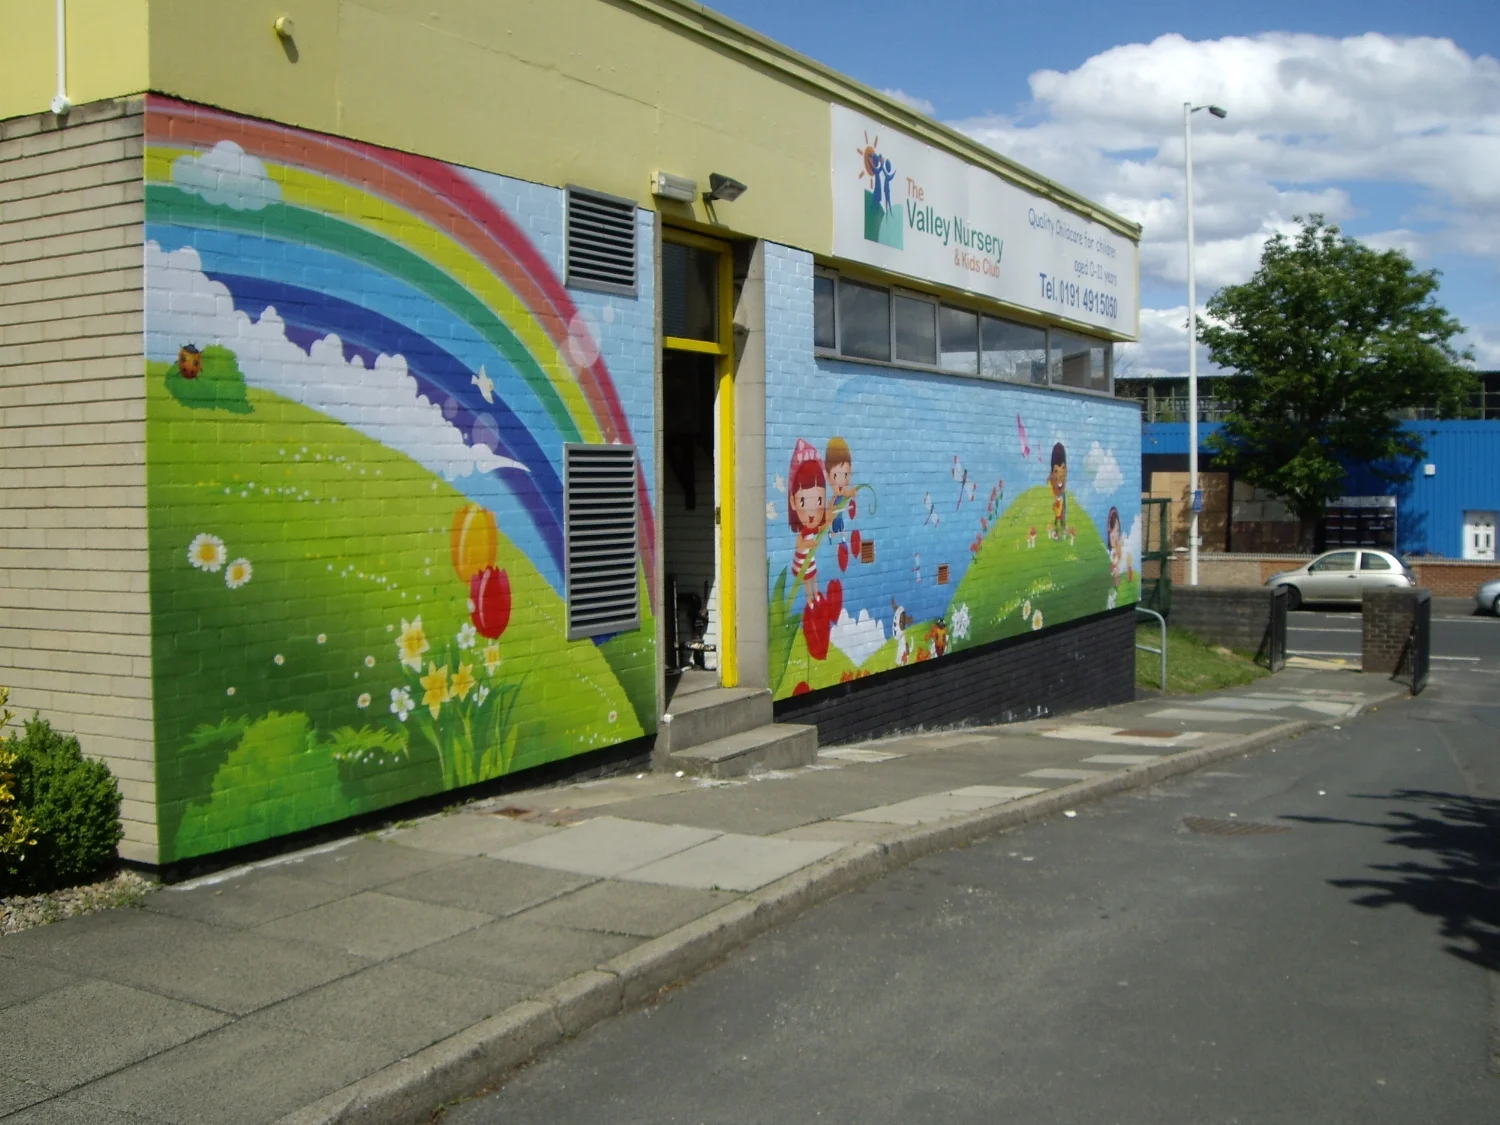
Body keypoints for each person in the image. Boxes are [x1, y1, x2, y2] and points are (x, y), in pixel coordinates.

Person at [787, 438, 826, 601]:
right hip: (803, 561)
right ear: (793, 502)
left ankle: (816, 594)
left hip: (811, 561)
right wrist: (809, 544)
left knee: (813, 575)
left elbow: (822, 528)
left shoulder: (813, 528)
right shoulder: (803, 532)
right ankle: (810, 598)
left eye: (818, 501)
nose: (812, 511)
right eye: (803, 501)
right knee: (806, 578)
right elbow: (800, 544)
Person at [1048, 442, 1068, 540]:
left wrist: (1061, 493)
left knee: (1062, 511)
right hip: (1057, 496)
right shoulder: (1052, 479)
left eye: (1063, 468)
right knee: (1057, 514)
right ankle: (1056, 531)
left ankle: (1062, 528)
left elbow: (1063, 483)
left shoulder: (1063, 478)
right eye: (1056, 470)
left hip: (1061, 496)